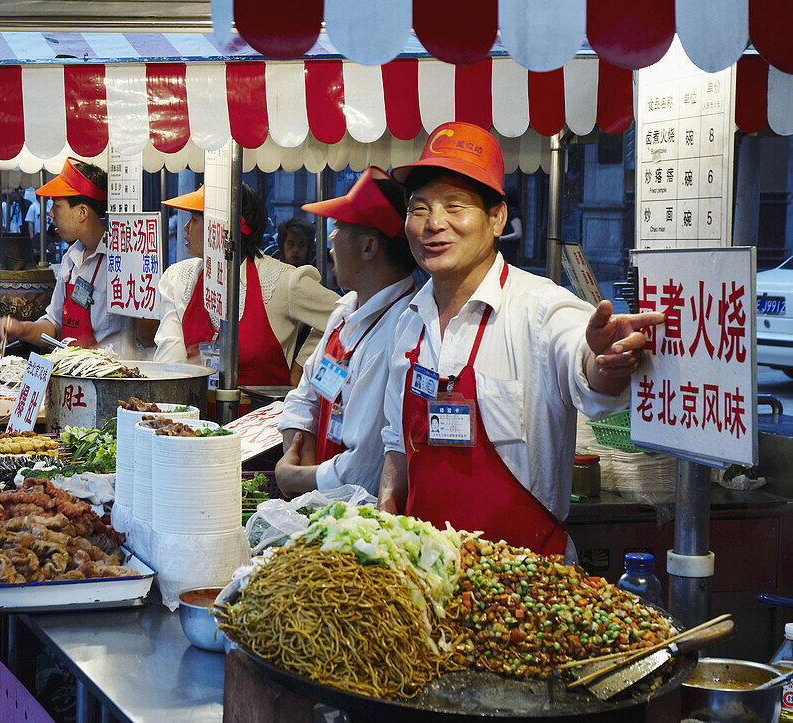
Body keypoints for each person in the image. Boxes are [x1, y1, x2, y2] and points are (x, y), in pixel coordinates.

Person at [376, 122, 665, 557]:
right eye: (420, 209)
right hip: (423, 578)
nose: (434, 224)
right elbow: (398, 443)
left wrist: (603, 362)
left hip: (523, 583)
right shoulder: (409, 322)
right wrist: (384, 518)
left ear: (497, 218)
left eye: (455, 206)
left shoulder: (541, 309)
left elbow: (583, 359)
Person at [276, 167, 417, 497]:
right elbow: (303, 398)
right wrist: (298, 457)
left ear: (369, 247)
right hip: (322, 502)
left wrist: (296, 478)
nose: (330, 244)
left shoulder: (399, 333)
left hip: (363, 520)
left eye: (337, 229)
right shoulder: (346, 309)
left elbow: (363, 469)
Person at [153, 185, 338, 385]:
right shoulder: (179, 278)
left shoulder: (282, 281)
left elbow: (342, 314)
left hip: (266, 414)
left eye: (195, 219)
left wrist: (303, 365)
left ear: (221, 227)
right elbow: (170, 363)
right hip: (197, 412)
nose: (185, 227)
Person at [0, 159, 120, 349]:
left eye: (57, 206)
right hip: (71, 373)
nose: (50, 213)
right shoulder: (71, 257)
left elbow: (145, 336)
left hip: (109, 375)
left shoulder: (120, 261)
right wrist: (21, 329)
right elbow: (55, 324)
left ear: (82, 212)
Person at [498, 186, 523, 264]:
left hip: (509, 249)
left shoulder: (514, 214)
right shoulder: (509, 212)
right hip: (506, 248)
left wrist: (501, 238)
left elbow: (518, 233)